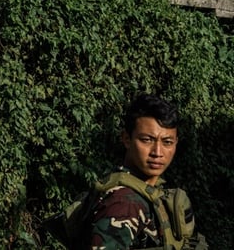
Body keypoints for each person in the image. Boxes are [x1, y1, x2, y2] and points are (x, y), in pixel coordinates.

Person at [85, 93, 204, 249]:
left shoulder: (150, 192)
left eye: (167, 142)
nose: (157, 152)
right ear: (126, 139)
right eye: (147, 140)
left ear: (176, 143)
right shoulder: (124, 203)